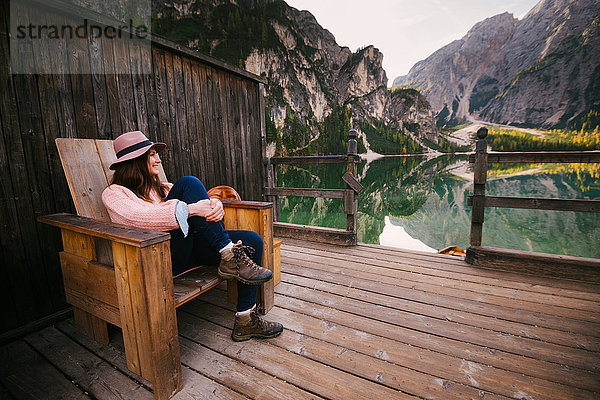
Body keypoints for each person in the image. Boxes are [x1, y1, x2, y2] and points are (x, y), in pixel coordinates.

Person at [101, 131, 283, 341]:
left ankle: (245, 320)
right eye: (151, 155)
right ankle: (228, 253)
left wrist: (215, 206)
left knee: (252, 241)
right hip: (160, 258)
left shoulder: (163, 188)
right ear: (135, 160)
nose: (158, 159)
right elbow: (137, 218)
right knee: (189, 183)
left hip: (188, 248)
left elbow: (202, 207)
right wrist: (191, 210)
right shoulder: (114, 193)